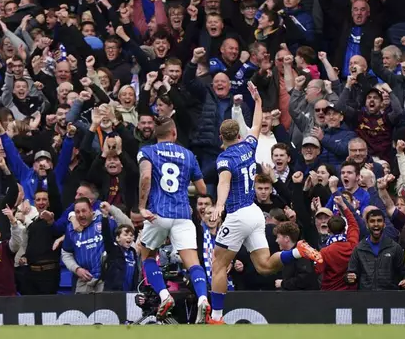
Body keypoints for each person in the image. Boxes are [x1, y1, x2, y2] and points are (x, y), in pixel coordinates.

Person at [207, 81, 322, 324]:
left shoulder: (225, 158)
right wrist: (258, 101)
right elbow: (258, 124)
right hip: (255, 212)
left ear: (221, 137)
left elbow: (224, 183)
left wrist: (219, 205)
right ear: (239, 134)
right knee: (265, 266)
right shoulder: (249, 146)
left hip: (238, 214)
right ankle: (297, 251)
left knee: (218, 265)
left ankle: (216, 317)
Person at [137, 116, 210, 322]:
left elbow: (145, 177)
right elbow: (202, 189)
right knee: (193, 263)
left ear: (155, 133)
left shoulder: (147, 151)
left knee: (148, 257)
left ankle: (164, 295)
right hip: (183, 215)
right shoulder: (188, 155)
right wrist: (181, 186)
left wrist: (142, 207)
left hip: (157, 213)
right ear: (174, 133)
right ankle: (203, 299)